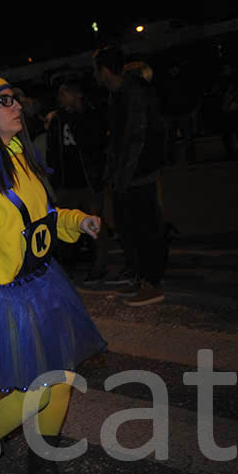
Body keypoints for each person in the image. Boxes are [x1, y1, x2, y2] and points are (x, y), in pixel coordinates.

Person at [0, 71, 107, 474]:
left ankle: (42, 464)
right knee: (35, 389)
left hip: (43, 285)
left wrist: (76, 222)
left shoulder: (19, 156)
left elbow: (43, 219)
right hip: (6, 300)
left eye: (15, 98)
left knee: (62, 379)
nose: (17, 105)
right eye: (3, 101)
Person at [93, 45, 168, 306]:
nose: (95, 76)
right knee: (129, 229)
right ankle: (141, 277)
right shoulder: (118, 94)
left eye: (96, 70)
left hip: (139, 173)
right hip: (127, 174)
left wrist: (123, 177)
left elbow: (136, 138)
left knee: (145, 227)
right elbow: (117, 141)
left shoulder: (133, 92)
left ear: (104, 71)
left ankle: (151, 283)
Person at [45, 80, 109, 283]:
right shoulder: (58, 119)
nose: (60, 98)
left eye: (64, 93)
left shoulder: (90, 115)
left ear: (76, 94)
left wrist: (76, 118)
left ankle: (99, 266)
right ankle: (67, 269)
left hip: (89, 182)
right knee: (64, 229)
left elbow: (96, 146)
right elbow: (52, 151)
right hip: (66, 183)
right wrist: (53, 178)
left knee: (94, 226)